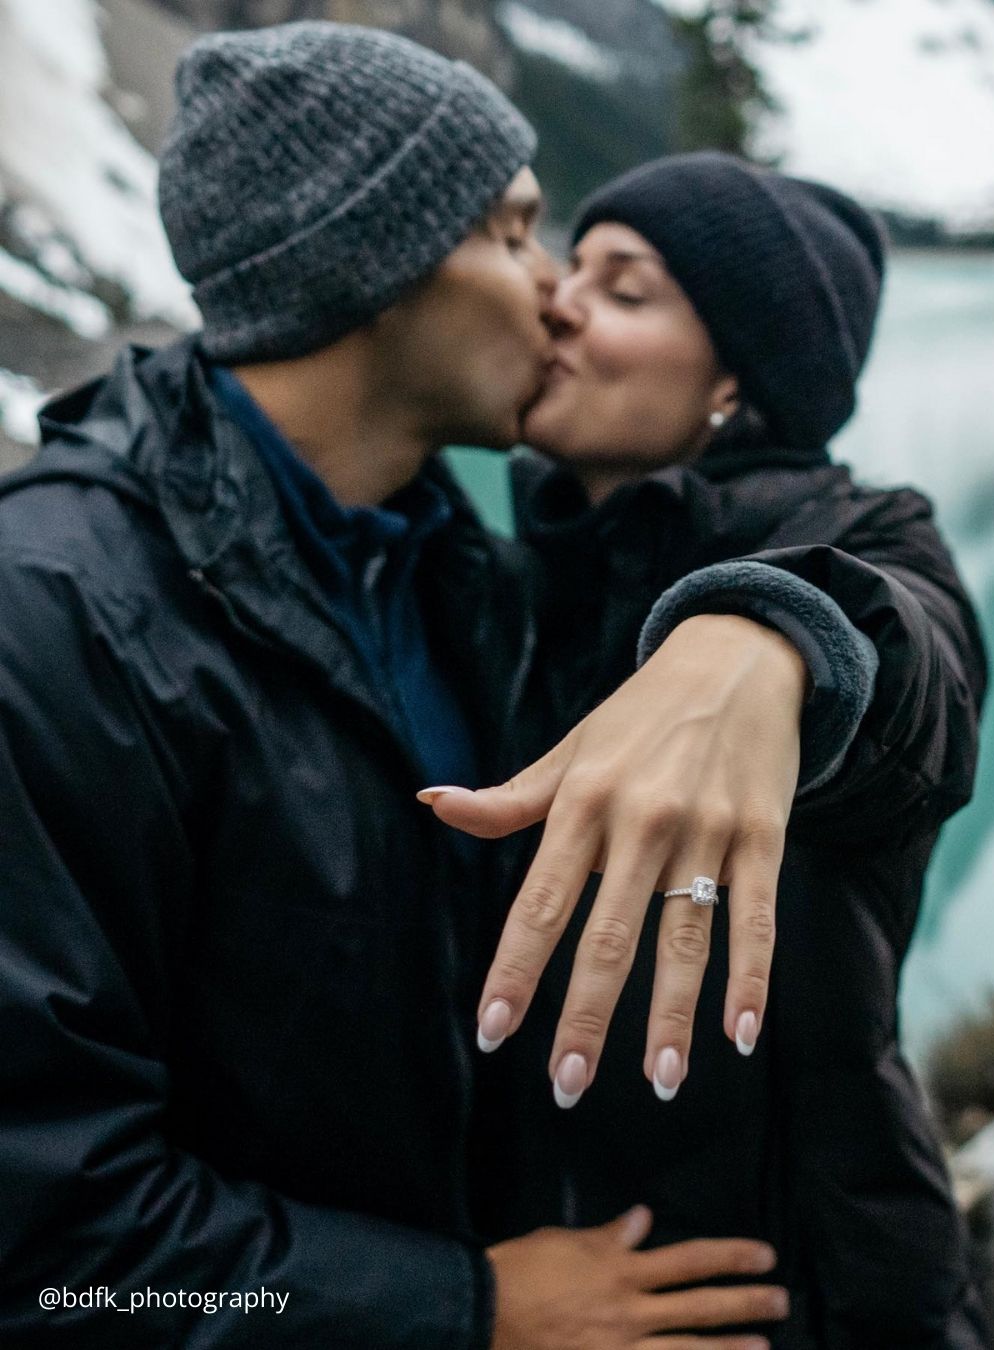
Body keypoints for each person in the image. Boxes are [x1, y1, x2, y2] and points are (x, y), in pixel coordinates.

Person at [0, 26, 823, 1349]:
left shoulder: (460, 573)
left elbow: (887, 583)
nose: (556, 292)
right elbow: (51, 1258)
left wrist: (765, 636)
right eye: (511, 234)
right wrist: (469, 1306)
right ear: (370, 264)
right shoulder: (51, 618)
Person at [429, 154, 992, 1348]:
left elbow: (914, 675)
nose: (561, 303)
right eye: (571, 266)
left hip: (800, 1296)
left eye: (625, 291)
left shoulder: (872, 539)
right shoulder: (514, 577)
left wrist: (772, 637)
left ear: (737, 377)